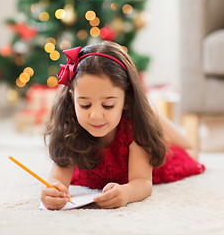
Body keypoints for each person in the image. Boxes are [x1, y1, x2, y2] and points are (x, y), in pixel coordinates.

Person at [41, 41, 205, 210]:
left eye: (108, 105)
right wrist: (51, 192)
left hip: (154, 160)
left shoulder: (134, 129)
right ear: (72, 98)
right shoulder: (70, 127)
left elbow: (142, 182)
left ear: (126, 100)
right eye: (85, 105)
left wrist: (126, 193)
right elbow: (56, 181)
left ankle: (155, 120)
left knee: (190, 153)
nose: (95, 115)